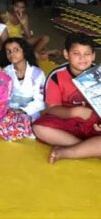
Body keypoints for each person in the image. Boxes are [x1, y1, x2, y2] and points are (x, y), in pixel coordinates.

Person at [33, 33, 101, 163]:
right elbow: (51, 109)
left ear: (93, 56)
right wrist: (73, 112)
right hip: (69, 122)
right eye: (76, 53)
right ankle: (88, 148)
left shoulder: (99, 74)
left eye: (87, 54)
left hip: (94, 124)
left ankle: (67, 152)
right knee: (39, 128)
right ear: (66, 54)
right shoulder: (56, 76)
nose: (82, 58)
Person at [0, 37, 45, 120]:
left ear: (24, 51)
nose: (12, 54)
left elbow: (41, 100)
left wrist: (23, 110)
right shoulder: (5, 72)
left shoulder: (37, 74)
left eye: (16, 50)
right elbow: (0, 96)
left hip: (30, 112)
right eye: (8, 51)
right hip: (8, 111)